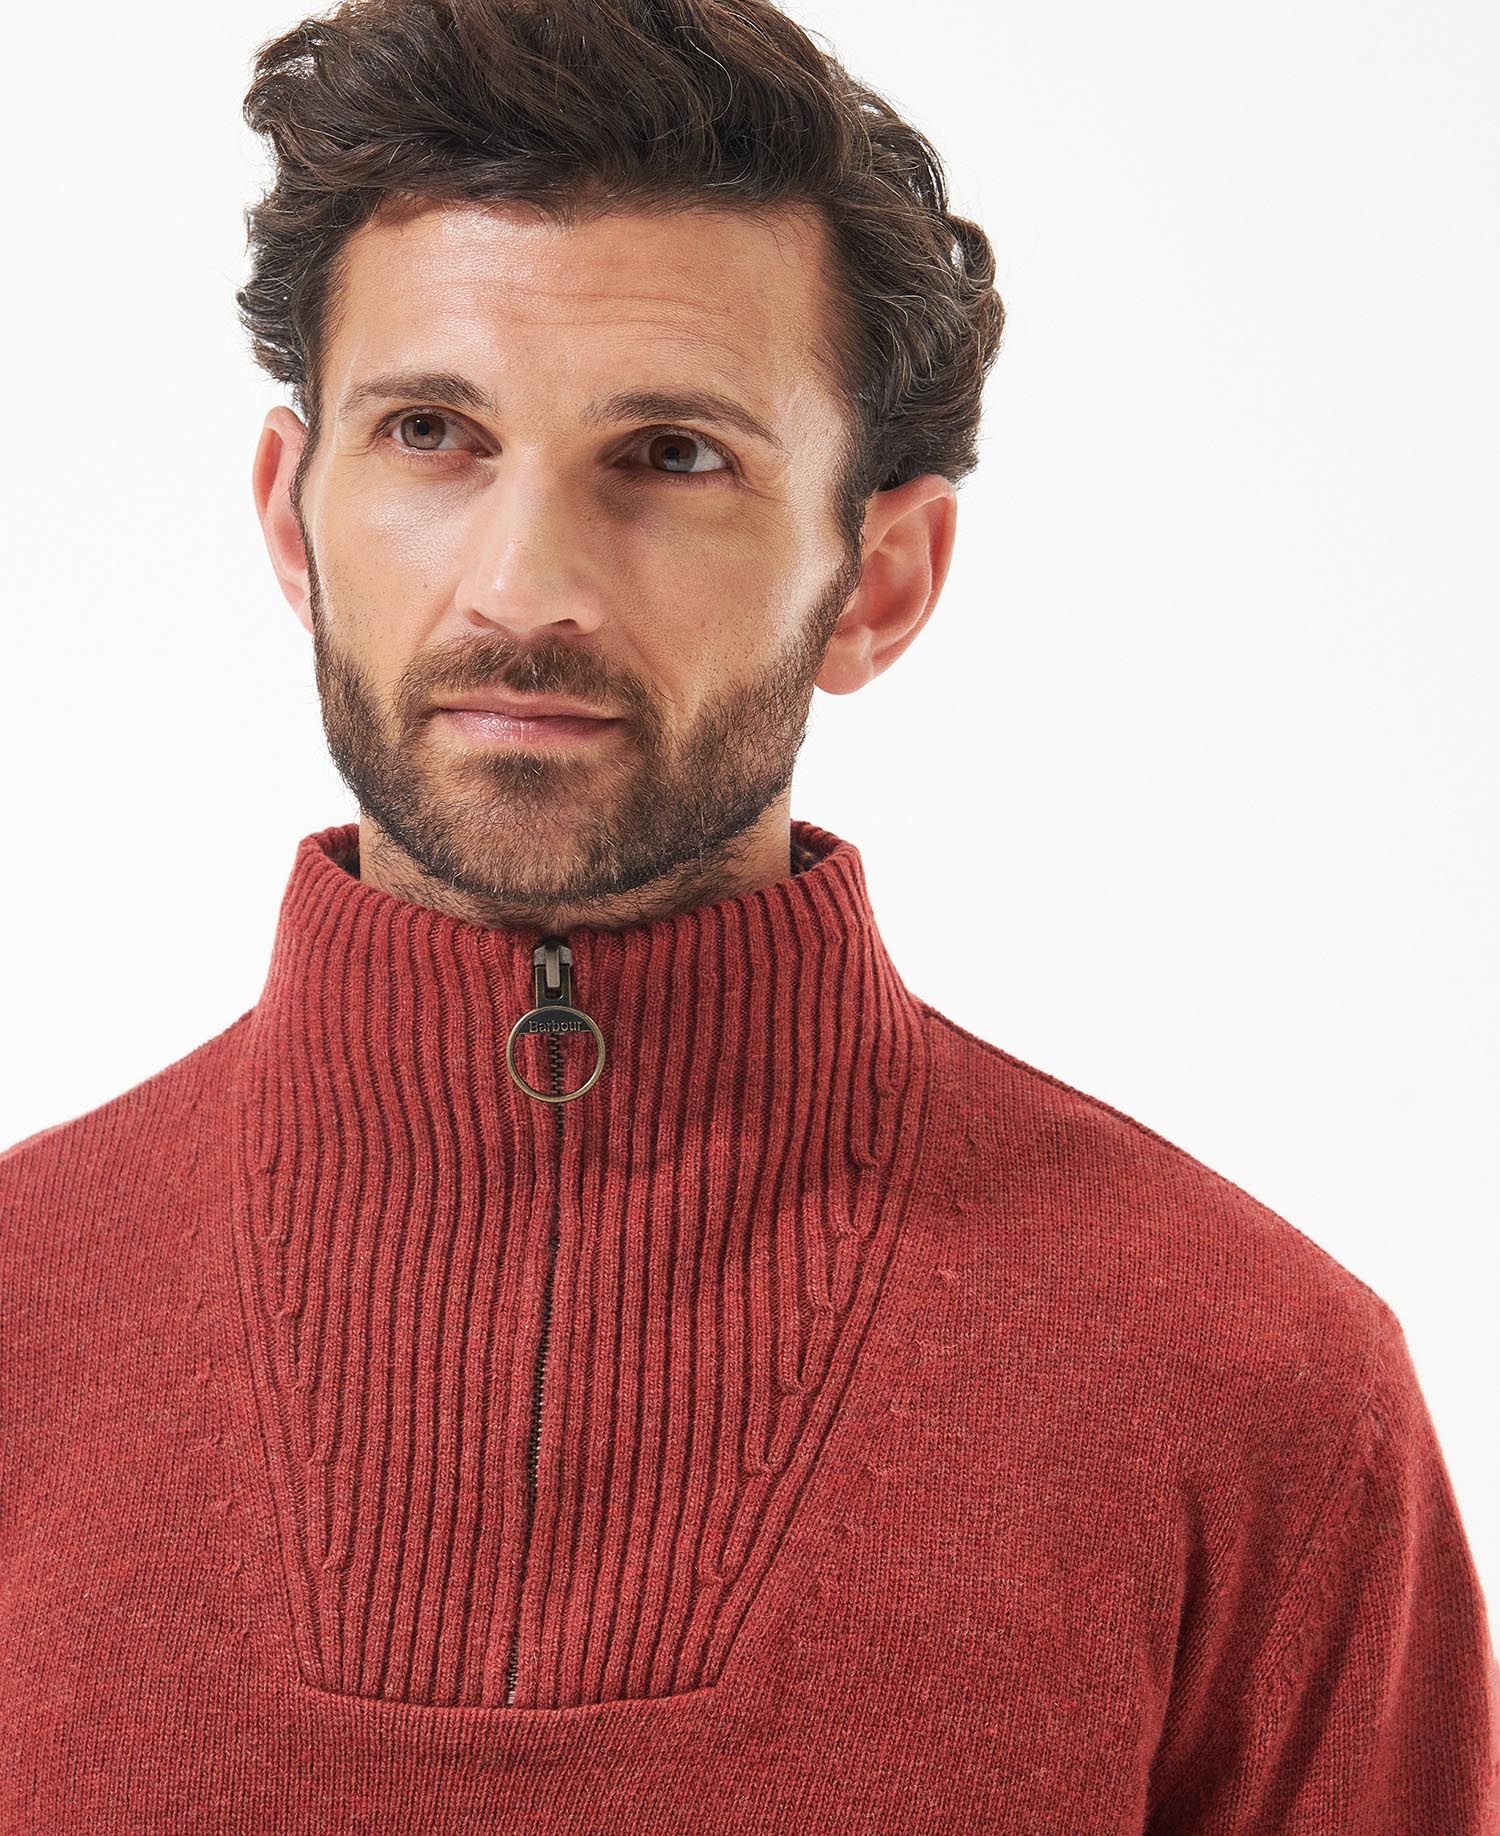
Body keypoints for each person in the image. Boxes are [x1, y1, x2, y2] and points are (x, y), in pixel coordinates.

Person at [1, 0, 1495, 1827]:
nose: (523, 588)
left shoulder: (1256, 1394)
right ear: (295, 522)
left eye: (672, 455)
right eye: (431, 432)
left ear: (878, 580)